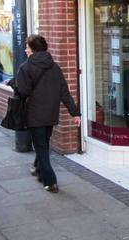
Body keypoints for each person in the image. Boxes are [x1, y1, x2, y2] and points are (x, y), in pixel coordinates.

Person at [8, 35, 81, 194]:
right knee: (43, 144)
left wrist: (13, 83)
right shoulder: (54, 67)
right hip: (50, 115)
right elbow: (64, 92)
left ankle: (51, 182)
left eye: (27, 46)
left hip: (34, 115)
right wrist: (75, 113)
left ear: (33, 49)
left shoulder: (26, 68)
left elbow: (23, 91)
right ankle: (37, 168)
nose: (25, 49)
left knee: (41, 148)